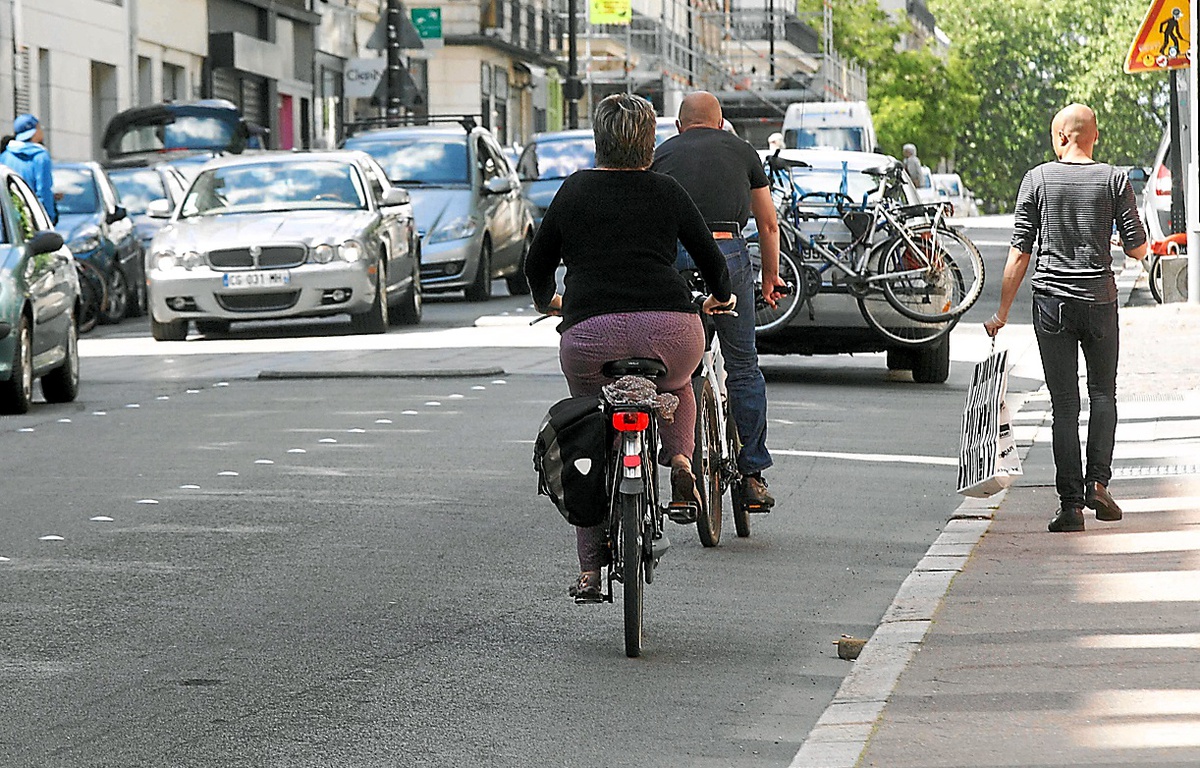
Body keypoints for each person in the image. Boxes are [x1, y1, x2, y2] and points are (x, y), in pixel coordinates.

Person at [524, 93, 734, 603]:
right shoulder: (667, 190)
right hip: (670, 330)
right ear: (651, 143)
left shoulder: (573, 192)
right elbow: (712, 259)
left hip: (590, 335)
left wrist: (550, 300)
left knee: (592, 423)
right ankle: (681, 461)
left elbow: (536, 263)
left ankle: (591, 573)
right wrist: (719, 298)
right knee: (680, 384)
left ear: (599, 141)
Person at [984, 103, 1147, 533]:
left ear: (1060, 138)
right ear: (1094, 137)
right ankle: (1098, 482)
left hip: (1052, 302)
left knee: (1064, 406)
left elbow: (1020, 251)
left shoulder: (1036, 179)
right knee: (1103, 395)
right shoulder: (1115, 180)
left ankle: (1070, 507)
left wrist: (1002, 312)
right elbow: (1136, 248)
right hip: (1099, 301)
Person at [651, 91, 785, 508]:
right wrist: (771, 278)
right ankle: (752, 475)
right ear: (721, 122)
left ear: (679, 126)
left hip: (676, 254)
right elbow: (767, 223)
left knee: (680, 366)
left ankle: (683, 461)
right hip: (727, 250)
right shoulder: (743, 151)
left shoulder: (662, 154)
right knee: (742, 363)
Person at [0, 114, 56, 223]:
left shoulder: (5, 155)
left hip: (8, 219)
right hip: (33, 218)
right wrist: (48, 218)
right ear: (34, 132)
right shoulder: (41, 156)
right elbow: (43, 191)